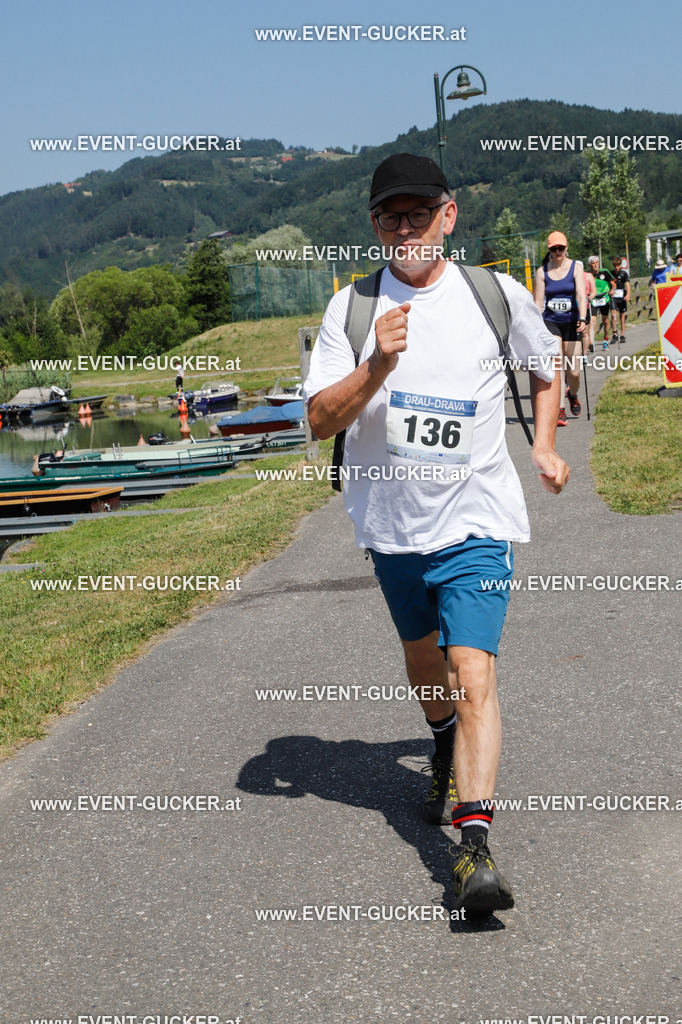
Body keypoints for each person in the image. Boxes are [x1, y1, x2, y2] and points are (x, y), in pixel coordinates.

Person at [304, 153, 569, 918]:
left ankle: (473, 847)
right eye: (390, 216)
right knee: (427, 666)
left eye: (419, 213)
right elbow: (319, 419)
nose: (405, 228)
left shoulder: (495, 295)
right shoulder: (351, 312)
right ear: (375, 226)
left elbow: (545, 367)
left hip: (478, 520)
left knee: (473, 667)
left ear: (448, 216)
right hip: (391, 528)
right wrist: (378, 363)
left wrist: (544, 447)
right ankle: (443, 738)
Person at [533, 232, 587, 426]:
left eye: (561, 248)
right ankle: (560, 409)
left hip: (572, 321)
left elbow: (581, 294)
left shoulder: (576, 268)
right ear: (549, 250)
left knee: (574, 372)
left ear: (566, 248)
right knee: (557, 364)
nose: (557, 252)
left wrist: (582, 316)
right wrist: (537, 327)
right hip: (551, 321)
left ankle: (572, 393)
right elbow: (538, 302)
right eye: (554, 249)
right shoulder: (542, 272)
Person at [586, 256, 615, 349]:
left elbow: (613, 283)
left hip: (604, 298)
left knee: (605, 320)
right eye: (593, 263)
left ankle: (606, 339)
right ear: (589, 265)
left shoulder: (604, 272)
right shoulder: (588, 274)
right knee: (592, 321)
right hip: (593, 298)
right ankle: (591, 342)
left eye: (596, 262)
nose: (595, 265)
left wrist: (612, 290)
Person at [610, 257, 630, 343]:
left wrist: (628, 294)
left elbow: (628, 285)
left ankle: (622, 335)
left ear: (620, 265)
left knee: (622, 316)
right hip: (613, 297)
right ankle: (614, 334)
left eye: (618, 265)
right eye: (615, 266)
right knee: (613, 314)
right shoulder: (610, 274)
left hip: (622, 296)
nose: (616, 267)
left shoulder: (624, 274)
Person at [583, 262, 597, 354]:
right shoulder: (571, 277)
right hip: (575, 307)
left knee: (586, 328)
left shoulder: (588, 276)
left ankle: (586, 348)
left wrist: (591, 296)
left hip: (586, 305)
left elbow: (593, 290)